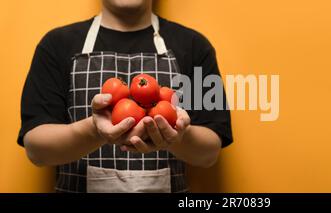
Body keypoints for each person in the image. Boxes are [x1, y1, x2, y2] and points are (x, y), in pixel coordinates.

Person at [18, 0, 233, 193]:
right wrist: (94, 129)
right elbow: (37, 151)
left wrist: (177, 136)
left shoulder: (194, 46)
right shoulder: (56, 45)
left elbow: (209, 153)